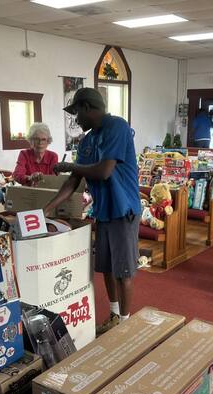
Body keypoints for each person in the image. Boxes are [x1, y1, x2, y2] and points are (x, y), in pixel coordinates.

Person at [44, 88, 141, 333]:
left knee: (123, 270)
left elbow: (104, 171)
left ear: (88, 107)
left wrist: (69, 165)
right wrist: (47, 209)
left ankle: (125, 324)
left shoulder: (117, 127)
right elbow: (73, 180)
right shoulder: (87, 140)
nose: (76, 120)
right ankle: (115, 315)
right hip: (103, 211)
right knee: (106, 268)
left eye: (77, 113)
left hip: (123, 209)